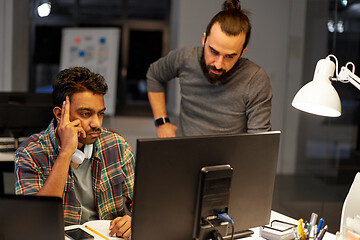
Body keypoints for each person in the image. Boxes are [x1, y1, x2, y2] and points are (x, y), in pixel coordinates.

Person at [14, 67, 134, 239]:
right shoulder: (30, 154)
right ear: (59, 114)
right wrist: (65, 154)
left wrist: (132, 221)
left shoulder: (116, 144)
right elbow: (35, 221)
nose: (96, 123)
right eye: (86, 114)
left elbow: (145, 205)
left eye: (100, 114)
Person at [147, 0, 272, 138]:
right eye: (213, 51)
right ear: (204, 39)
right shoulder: (185, 58)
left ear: (242, 52)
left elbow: (258, 140)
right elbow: (154, 75)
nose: (218, 64)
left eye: (229, 56)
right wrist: (162, 122)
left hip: (228, 159)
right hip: (184, 154)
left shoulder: (255, 79)